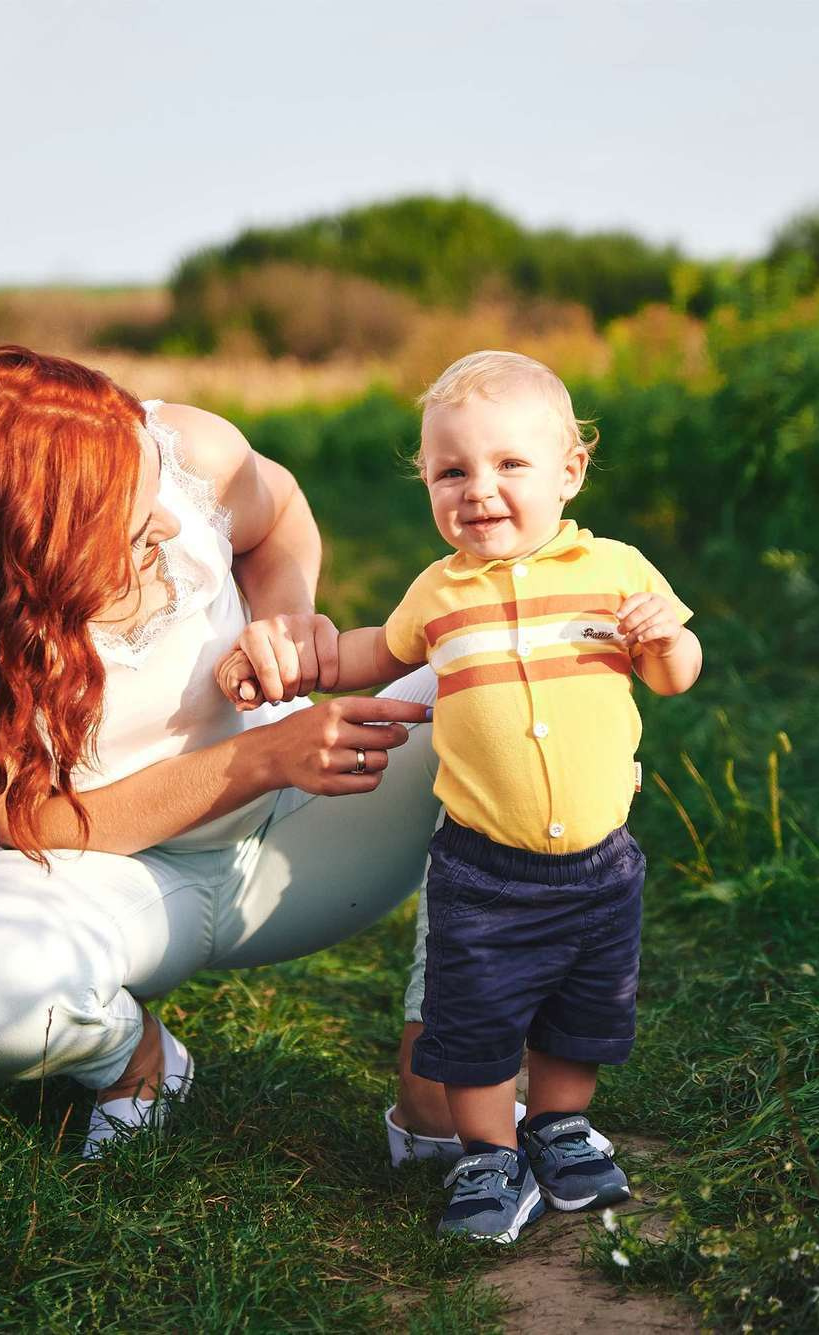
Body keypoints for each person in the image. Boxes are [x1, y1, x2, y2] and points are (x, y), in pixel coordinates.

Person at [0, 344, 502, 1162]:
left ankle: (443, 1068)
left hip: (302, 841)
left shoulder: (184, 453)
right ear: (26, 560)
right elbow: (17, 815)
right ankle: (136, 1062)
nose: (170, 524)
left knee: (504, 672)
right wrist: (258, 758)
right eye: (137, 528)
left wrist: (284, 621)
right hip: (106, 881)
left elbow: (277, 512)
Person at [216, 350, 703, 1242]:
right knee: (475, 1012)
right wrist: (311, 655)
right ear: (430, 484)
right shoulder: (439, 593)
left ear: (570, 471)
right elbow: (378, 656)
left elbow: (676, 678)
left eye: (510, 464)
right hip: (483, 863)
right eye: (452, 470)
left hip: (598, 858)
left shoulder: (618, 570)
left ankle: (557, 1127)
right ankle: (490, 1152)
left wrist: (667, 637)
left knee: (580, 1009)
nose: (479, 489)